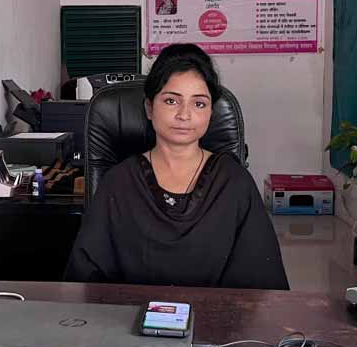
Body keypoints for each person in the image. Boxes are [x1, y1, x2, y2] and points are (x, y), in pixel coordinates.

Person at [64, 44, 289, 290]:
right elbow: (86, 283)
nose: (184, 115)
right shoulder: (118, 183)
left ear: (211, 112)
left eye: (199, 104)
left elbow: (261, 286)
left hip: (217, 314)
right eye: (171, 101)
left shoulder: (235, 183)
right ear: (149, 108)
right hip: (130, 313)